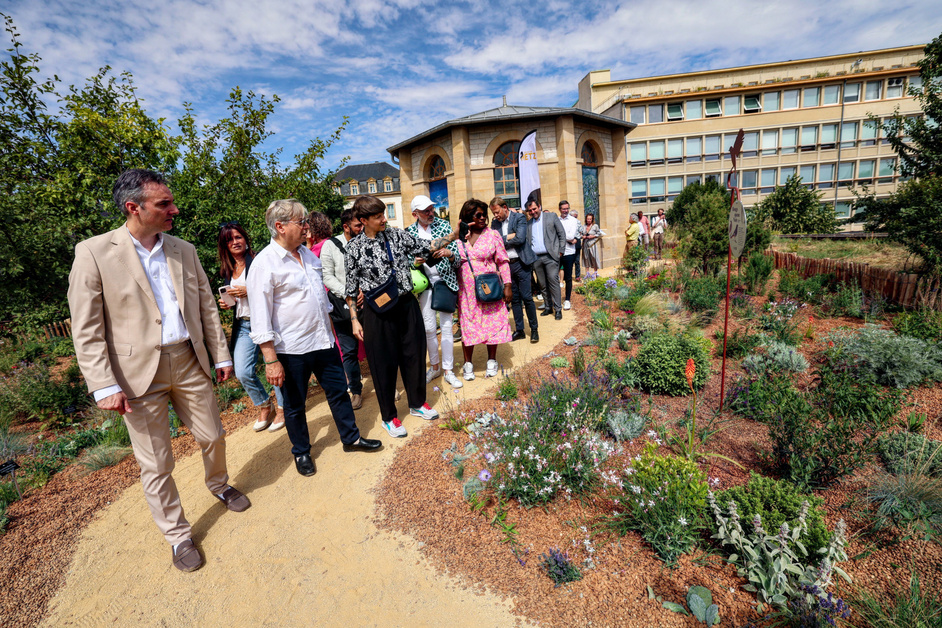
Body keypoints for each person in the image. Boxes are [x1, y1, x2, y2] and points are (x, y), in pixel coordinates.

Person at [68, 169, 249, 573]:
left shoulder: (182, 249)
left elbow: (204, 303)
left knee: (213, 434)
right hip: (134, 375)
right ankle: (178, 534)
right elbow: (87, 327)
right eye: (164, 204)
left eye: (171, 201)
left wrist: (220, 355)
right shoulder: (94, 252)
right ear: (134, 208)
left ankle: (218, 485)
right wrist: (102, 384)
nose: (174, 209)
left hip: (188, 359)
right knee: (156, 462)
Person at [247, 199, 381, 478]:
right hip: (290, 349)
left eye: (307, 221)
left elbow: (320, 298)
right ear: (280, 227)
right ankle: (302, 452)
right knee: (295, 405)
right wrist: (271, 360)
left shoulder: (308, 255)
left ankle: (351, 438)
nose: (307, 227)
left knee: (338, 394)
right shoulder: (264, 264)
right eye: (302, 222)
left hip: (323, 340)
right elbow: (260, 318)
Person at [345, 195, 462, 438]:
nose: (383, 219)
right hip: (377, 313)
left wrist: (452, 236)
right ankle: (389, 417)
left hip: (406, 303)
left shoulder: (396, 235)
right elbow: (349, 287)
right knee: (383, 364)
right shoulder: (353, 248)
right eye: (377, 216)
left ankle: (417, 404)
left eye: (383, 214)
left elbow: (424, 247)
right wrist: (355, 319)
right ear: (364, 220)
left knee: (414, 354)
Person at [217, 222, 285, 432]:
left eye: (238, 237)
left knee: (271, 365)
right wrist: (227, 302)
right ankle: (265, 405)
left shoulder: (258, 261)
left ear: (246, 239)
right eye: (230, 240)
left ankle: (283, 408)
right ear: (225, 245)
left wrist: (249, 291)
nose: (235, 242)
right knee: (243, 371)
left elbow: (275, 289)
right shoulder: (229, 269)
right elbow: (238, 300)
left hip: (264, 322)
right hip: (244, 324)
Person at [406, 195, 463, 389]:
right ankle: (435, 367)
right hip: (424, 286)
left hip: (445, 282)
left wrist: (450, 254)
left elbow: (458, 261)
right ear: (415, 214)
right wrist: (413, 262)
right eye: (426, 211)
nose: (431, 213)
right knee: (429, 329)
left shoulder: (444, 226)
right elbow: (405, 262)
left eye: (432, 209)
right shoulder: (409, 233)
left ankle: (448, 369)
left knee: (446, 327)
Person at [455, 199, 512, 379]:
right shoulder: (459, 237)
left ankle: (491, 361)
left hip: (489, 287)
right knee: (467, 324)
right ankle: (468, 363)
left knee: (491, 322)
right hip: (466, 291)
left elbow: (502, 261)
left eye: (484, 214)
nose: (483, 218)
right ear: (468, 217)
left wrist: (508, 285)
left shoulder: (492, 234)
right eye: (478, 215)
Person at [320, 207, 365, 409]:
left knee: (376, 347)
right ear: (346, 227)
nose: (362, 228)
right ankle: (355, 390)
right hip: (342, 306)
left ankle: (387, 386)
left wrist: (364, 289)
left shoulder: (367, 241)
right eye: (358, 225)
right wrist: (349, 294)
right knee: (348, 352)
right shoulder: (330, 246)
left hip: (367, 302)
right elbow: (327, 276)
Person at [490, 196, 539, 343]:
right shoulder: (494, 223)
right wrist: (509, 236)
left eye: (497, 212)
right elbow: (493, 243)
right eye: (493, 213)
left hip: (521, 263)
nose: (496, 215)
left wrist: (501, 239)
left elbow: (521, 239)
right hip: (506, 266)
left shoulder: (519, 218)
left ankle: (534, 329)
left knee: (527, 297)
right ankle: (520, 330)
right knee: (514, 299)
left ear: (505, 208)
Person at [526, 197, 566, 320]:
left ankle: (558, 309)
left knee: (553, 282)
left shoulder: (551, 217)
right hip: (536, 258)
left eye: (534, 209)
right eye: (530, 211)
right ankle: (548, 307)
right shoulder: (528, 224)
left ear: (539, 206)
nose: (533, 212)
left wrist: (560, 251)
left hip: (551, 256)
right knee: (542, 284)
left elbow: (561, 234)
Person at [557, 200, 580, 311]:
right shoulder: (556, 220)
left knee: (568, 278)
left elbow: (571, 236)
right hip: (557, 252)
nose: (565, 210)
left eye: (567, 208)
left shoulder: (573, 220)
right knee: (553, 277)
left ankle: (567, 300)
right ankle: (555, 300)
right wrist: (567, 239)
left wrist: (560, 237)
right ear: (559, 209)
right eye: (563, 209)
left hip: (569, 252)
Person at [581, 213, 602, 278]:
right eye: (588, 219)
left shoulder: (595, 226)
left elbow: (599, 234)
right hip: (585, 244)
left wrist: (592, 236)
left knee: (594, 258)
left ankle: (595, 274)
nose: (589, 220)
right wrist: (583, 236)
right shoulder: (584, 226)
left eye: (590, 219)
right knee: (586, 258)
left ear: (592, 219)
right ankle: (587, 274)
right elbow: (580, 234)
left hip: (592, 245)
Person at [571, 208, 584, 281]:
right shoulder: (568, 222)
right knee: (570, 261)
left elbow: (581, 231)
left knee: (576, 261)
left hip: (577, 244)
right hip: (569, 243)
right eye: (574, 216)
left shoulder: (578, 222)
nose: (575, 218)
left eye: (576, 217)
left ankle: (577, 276)